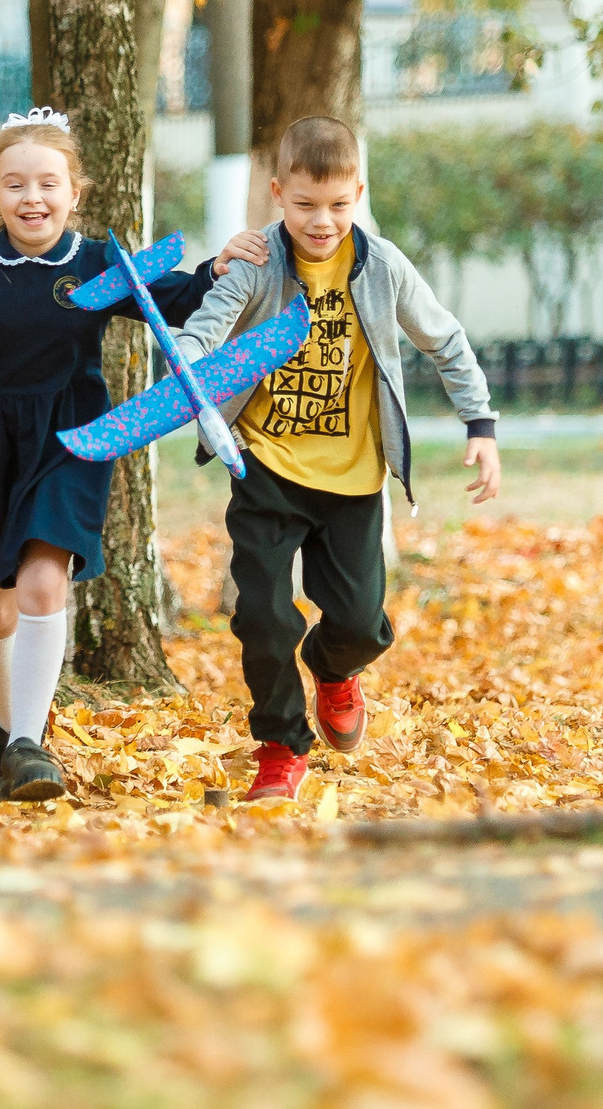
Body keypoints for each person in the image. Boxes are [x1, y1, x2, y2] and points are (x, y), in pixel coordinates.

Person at [0, 110, 268, 803]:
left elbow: (182, 300)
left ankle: (30, 741)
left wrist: (219, 267)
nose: (31, 197)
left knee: (43, 581)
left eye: (48, 183)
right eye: (15, 184)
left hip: (73, 435)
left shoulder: (100, 263)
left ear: (76, 192)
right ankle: (7, 736)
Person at [169, 116, 499, 803]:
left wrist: (480, 422)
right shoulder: (259, 259)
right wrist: (192, 368)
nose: (322, 222)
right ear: (277, 193)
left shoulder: (381, 266)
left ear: (358, 192)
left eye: (338, 205)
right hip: (264, 466)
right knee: (261, 614)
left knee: (358, 621)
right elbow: (205, 328)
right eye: (305, 205)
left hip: (352, 478)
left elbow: (445, 338)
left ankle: (332, 667)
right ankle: (281, 747)